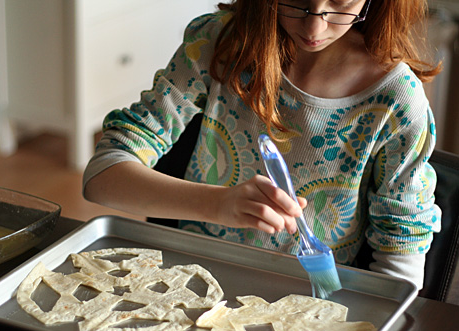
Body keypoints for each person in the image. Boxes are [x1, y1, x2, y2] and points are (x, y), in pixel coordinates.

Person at [83, 0, 442, 290]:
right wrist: (219, 205)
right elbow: (102, 176)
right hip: (187, 286)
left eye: (340, 0)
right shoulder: (217, 45)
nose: (314, 26)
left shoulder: (397, 102)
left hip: (311, 306)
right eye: (296, 0)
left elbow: (401, 257)